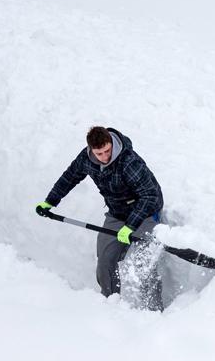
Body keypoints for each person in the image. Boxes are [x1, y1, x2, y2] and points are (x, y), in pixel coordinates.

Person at [36, 126, 164, 310]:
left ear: (111, 144)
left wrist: (130, 226)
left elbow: (150, 196)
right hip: (117, 213)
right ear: (91, 150)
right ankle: (111, 305)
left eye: (107, 151)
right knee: (105, 260)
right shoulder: (86, 158)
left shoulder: (129, 162)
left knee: (143, 264)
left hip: (145, 211)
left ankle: (154, 312)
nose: (105, 157)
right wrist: (50, 202)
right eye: (99, 153)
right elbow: (69, 177)